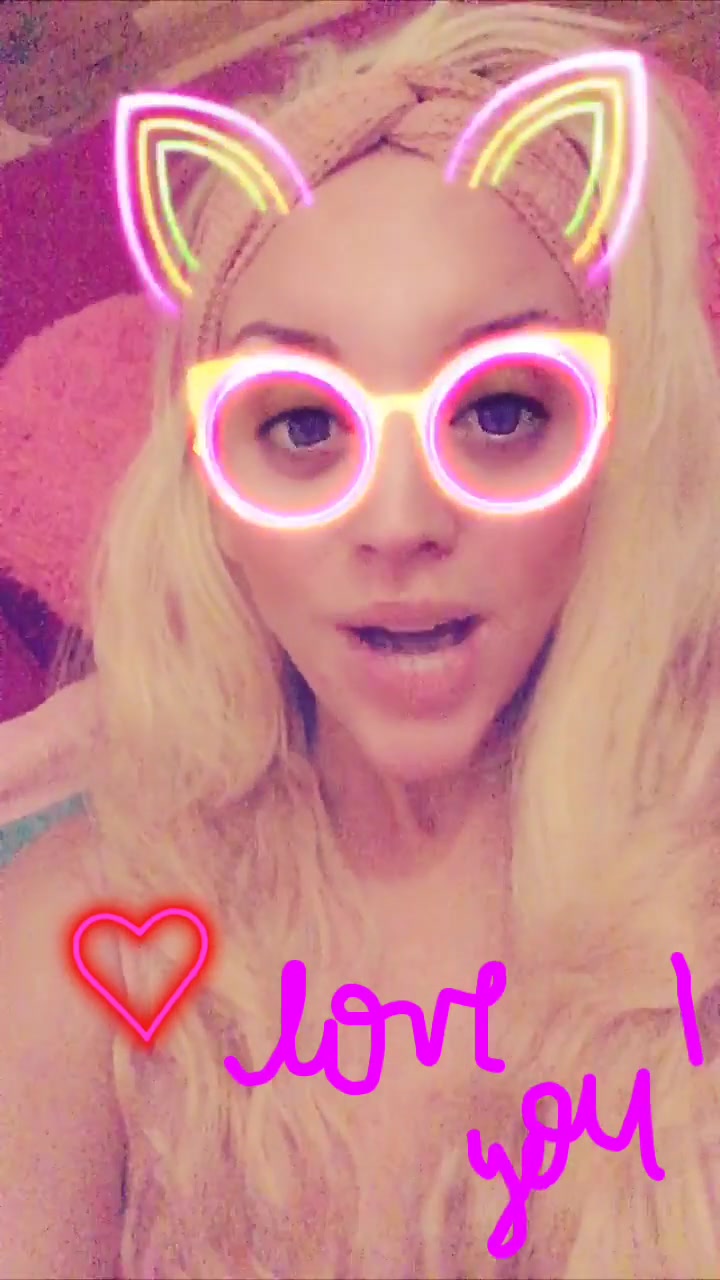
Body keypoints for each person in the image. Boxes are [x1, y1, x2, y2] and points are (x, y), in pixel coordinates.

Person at [2, 2, 720, 1277]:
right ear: (212, 501)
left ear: (619, 459)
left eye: (500, 409)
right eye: (302, 426)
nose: (397, 520)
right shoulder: (74, 939)